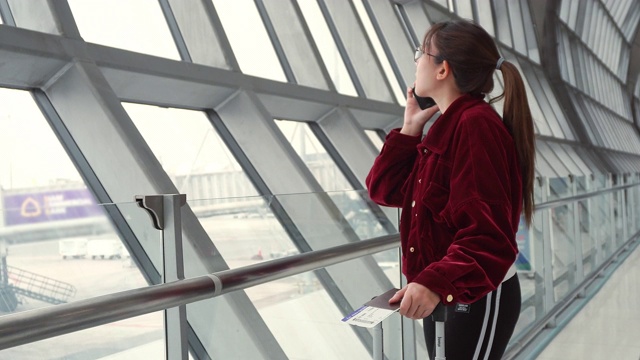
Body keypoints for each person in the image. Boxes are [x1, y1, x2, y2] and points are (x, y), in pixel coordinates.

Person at [366, 19, 535, 359]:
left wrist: (434, 283)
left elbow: (488, 233)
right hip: (446, 287)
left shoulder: (475, 125)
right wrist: (411, 129)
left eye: (421, 53)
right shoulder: (449, 125)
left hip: (476, 292)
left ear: (443, 69)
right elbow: (386, 190)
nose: (416, 62)